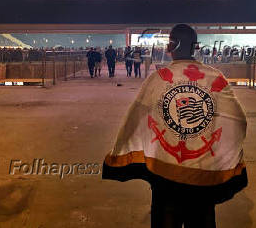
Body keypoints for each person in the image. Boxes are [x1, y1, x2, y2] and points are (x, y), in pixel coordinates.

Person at [102, 24, 248, 228]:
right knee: (201, 219)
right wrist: (225, 154)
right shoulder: (215, 78)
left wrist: (120, 151)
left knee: (165, 218)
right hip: (201, 173)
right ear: (195, 47)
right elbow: (239, 121)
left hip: (165, 172)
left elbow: (135, 118)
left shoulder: (157, 79)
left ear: (171, 46)